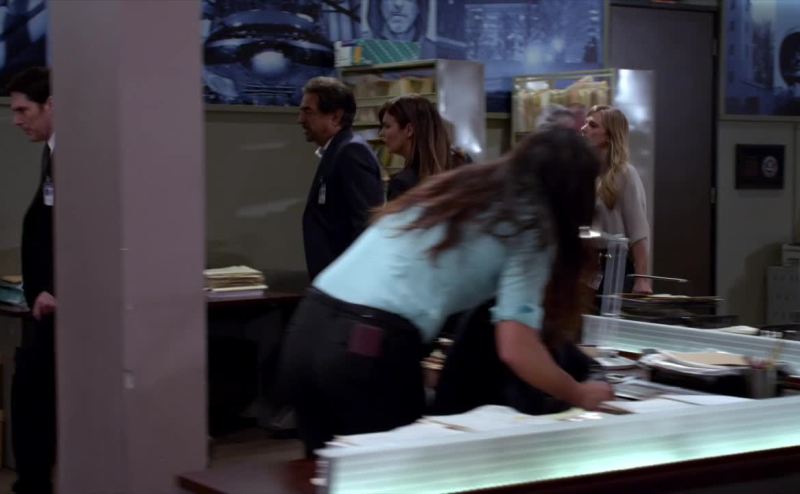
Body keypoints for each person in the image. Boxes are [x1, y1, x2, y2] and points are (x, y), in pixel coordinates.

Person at [279, 129, 614, 455]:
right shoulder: (532, 225)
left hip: (307, 326)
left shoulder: (461, 188)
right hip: (367, 343)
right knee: (393, 474)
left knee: (326, 474)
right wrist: (579, 393)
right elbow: (516, 347)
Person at [7, 66, 55, 494]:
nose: (16, 120)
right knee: (31, 394)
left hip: (60, 302)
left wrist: (56, 288)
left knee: (33, 394)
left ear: (51, 105)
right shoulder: (52, 153)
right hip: (44, 301)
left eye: (24, 110)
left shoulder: (77, 156)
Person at [298, 76, 384, 280]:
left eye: (308, 111)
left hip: (346, 284)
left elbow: (366, 223)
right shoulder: (336, 151)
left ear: (336, 117)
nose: (300, 119)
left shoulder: (351, 152)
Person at [580, 105, 652, 294]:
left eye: (592, 125)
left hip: (614, 267)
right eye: (585, 123)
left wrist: (642, 279)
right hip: (588, 268)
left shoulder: (625, 174)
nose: (583, 129)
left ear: (609, 135)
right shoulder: (586, 174)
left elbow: (639, 232)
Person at [378, 94, 456, 201]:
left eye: (387, 126)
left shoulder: (402, 185)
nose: (381, 133)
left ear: (409, 130)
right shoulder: (459, 167)